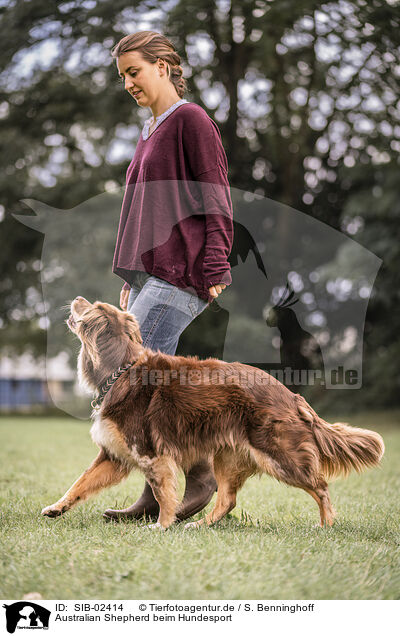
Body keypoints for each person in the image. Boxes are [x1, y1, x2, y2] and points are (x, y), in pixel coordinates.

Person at [104, 30, 234, 522]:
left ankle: (184, 485)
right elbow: (145, 210)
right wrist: (134, 276)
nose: (129, 83)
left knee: (134, 386)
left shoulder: (191, 121)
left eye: (134, 71)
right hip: (151, 276)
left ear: (163, 65)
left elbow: (216, 194)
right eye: (123, 77)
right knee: (155, 389)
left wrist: (217, 262)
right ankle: (192, 479)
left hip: (182, 272)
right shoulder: (150, 129)